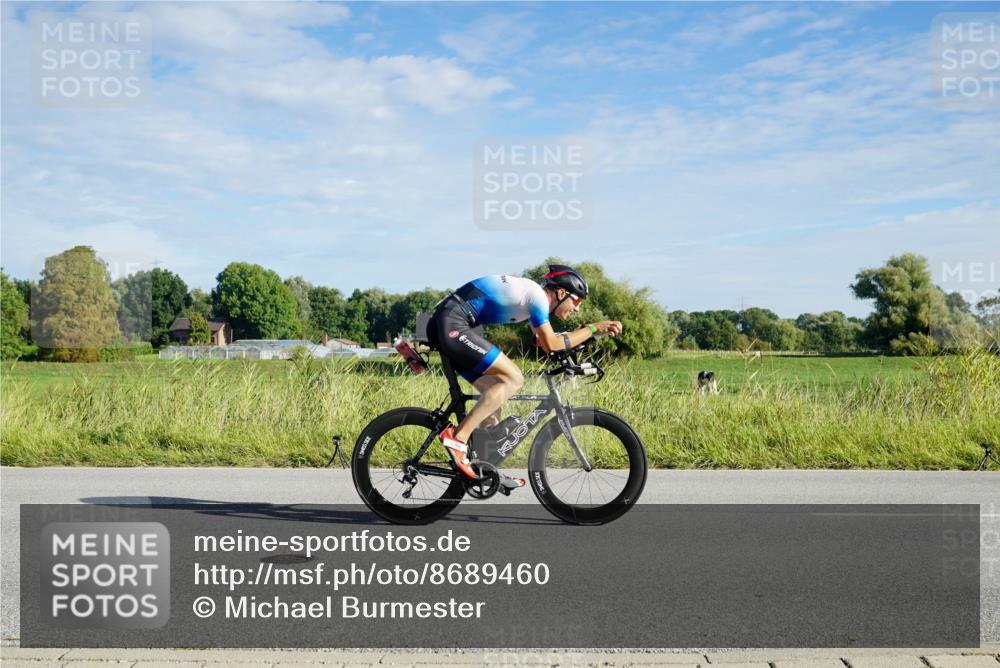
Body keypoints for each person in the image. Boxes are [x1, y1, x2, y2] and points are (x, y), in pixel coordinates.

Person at [426, 265, 623, 484]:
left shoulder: (532, 301)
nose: (577, 309)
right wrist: (593, 328)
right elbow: (553, 344)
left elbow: (544, 342)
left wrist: (587, 340)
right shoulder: (537, 298)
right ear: (561, 293)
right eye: (576, 301)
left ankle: (485, 465)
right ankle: (458, 438)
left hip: (447, 323)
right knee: (514, 378)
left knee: (494, 390)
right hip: (452, 323)